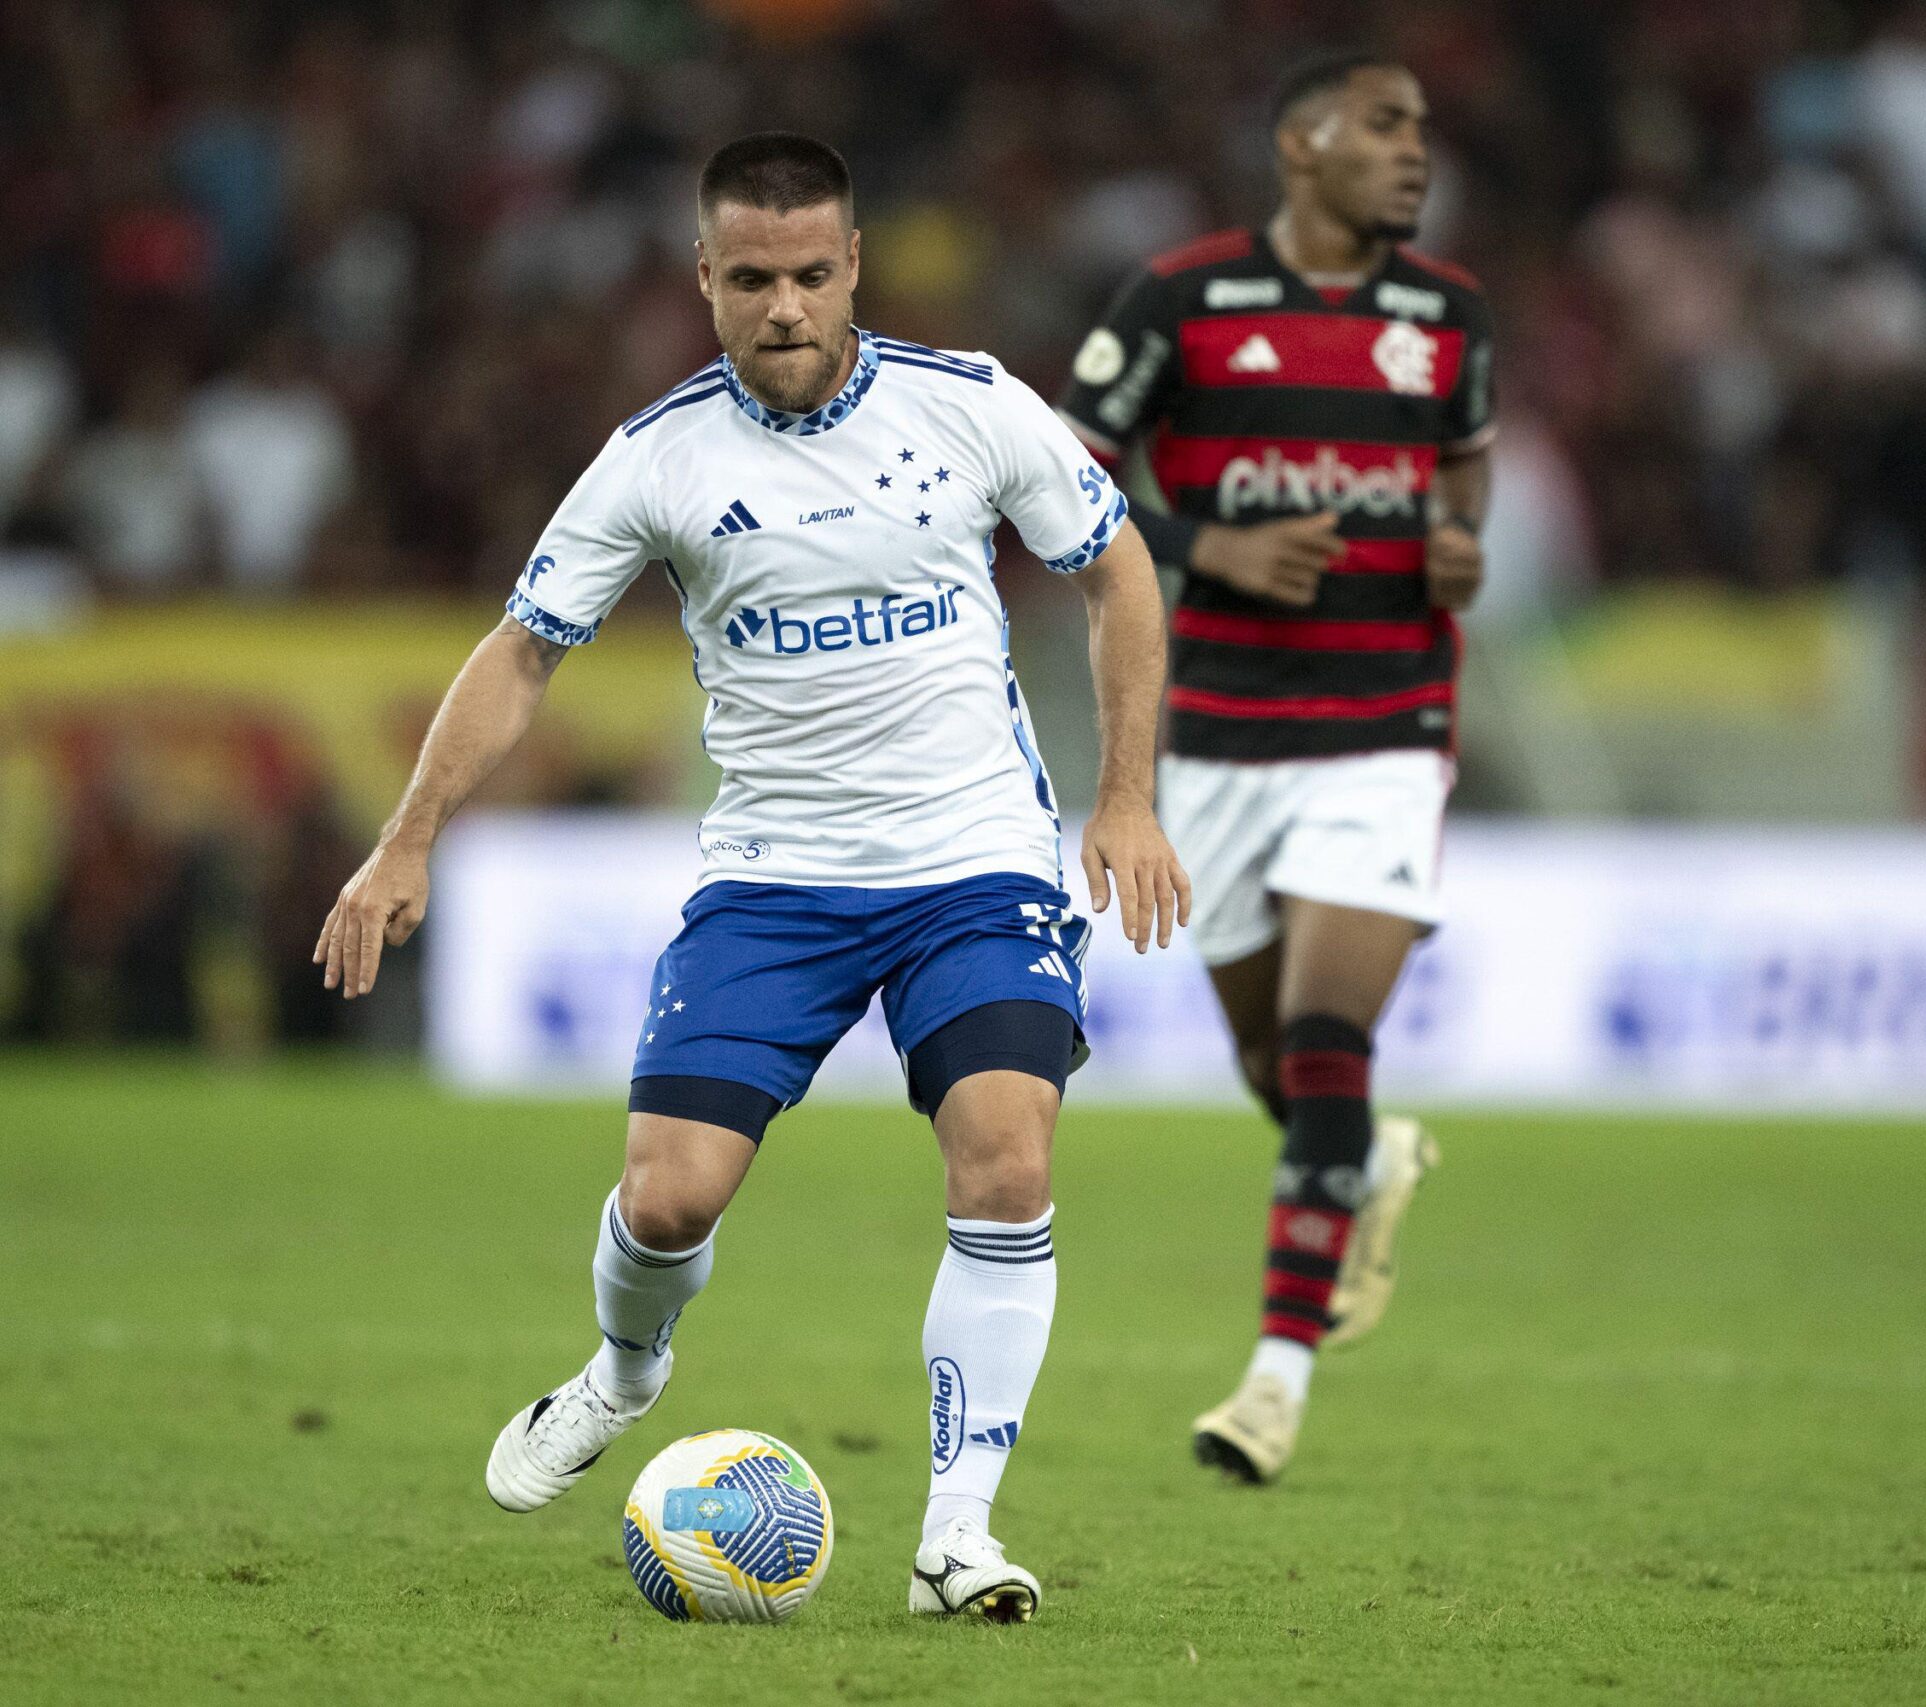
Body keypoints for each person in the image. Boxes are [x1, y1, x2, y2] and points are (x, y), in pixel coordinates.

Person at [312, 132, 1187, 1621]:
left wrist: (1125, 799)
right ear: (704, 279)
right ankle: (623, 1372)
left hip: (972, 866)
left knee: (1009, 1159)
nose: (784, 307)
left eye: (811, 274)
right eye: (751, 279)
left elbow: (1115, 570)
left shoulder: (971, 407)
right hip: (773, 882)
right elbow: (524, 653)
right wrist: (408, 840)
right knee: (665, 1204)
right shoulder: (657, 458)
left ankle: (956, 1535)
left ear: (853, 265)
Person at [1055, 52, 1493, 1484]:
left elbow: (1463, 476)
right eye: (1384, 126)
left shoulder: (1449, 319)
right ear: (1301, 145)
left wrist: (1458, 548)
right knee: (1278, 1065)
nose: (1414, 152)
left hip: (1386, 724)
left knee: (1322, 1040)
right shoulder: (1182, 301)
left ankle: (1273, 1384)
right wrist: (1213, 550)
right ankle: (1361, 1163)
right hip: (1225, 735)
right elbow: (1061, 485)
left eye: (1421, 130)